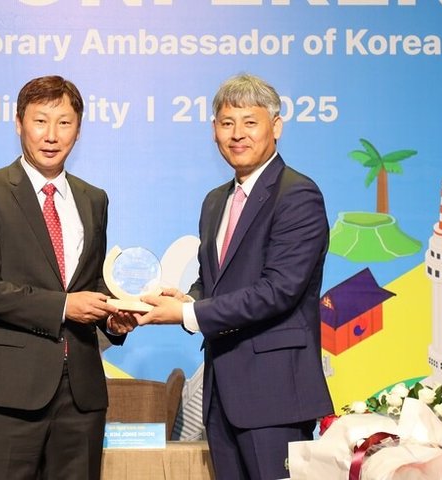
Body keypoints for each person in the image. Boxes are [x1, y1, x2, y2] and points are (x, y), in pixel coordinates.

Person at [137, 74, 334, 480]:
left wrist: (188, 315)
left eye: (250, 122)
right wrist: (188, 300)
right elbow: (214, 282)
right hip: (221, 395)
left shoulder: (297, 195)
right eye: (227, 123)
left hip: (275, 397)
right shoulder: (215, 201)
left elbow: (279, 290)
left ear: (276, 127)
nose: (237, 134)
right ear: (214, 131)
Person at [0, 75, 135, 480]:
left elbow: (92, 283)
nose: (52, 135)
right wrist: (64, 307)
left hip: (82, 395)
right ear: (19, 123)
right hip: (9, 394)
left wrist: (114, 318)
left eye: (64, 123)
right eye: (40, 121)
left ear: (78, 130)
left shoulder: (94, 198)